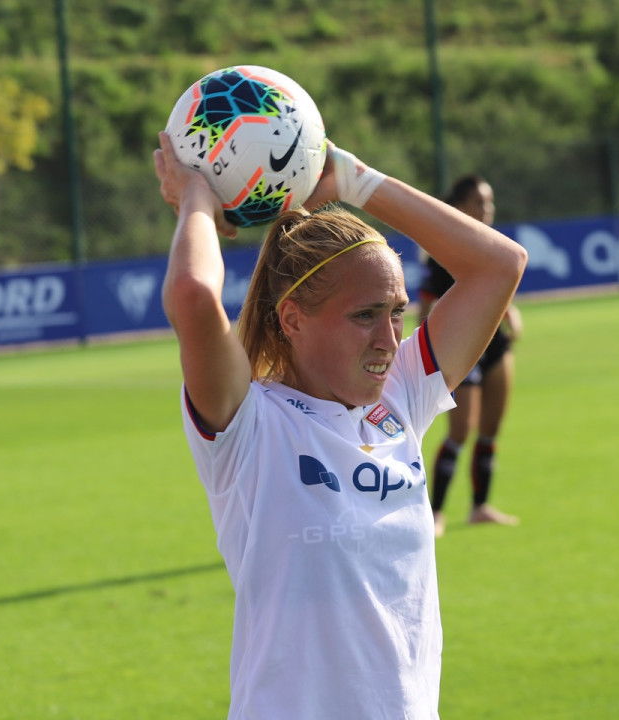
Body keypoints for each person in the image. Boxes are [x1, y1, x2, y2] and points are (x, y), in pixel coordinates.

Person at [154, 131, 527, 719]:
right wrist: (197, 196)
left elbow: (499, 266)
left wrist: (356, 181)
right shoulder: (249, 425)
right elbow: (194, 294)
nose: (389, 339)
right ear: (293, 319)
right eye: (364, 316)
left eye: (397, 311)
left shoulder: (401, 399)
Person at [418, 175, 523, 537]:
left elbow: (498, 283)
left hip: (495, 344)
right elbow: (428, 302)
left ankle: (480, 507)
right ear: (461, 206)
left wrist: (511, 312)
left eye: (490, 202)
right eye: (480, 202)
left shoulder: (496, 243)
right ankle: (435, 513)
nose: (487, 209)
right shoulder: (444, 246)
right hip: (461, 347)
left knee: (490, 430)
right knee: (460, 431)